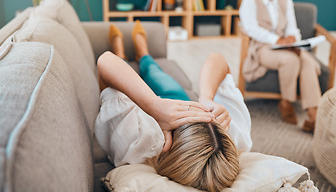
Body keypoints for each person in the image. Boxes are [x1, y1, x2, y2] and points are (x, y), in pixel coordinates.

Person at [95, 21, 252, 191]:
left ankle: (122, 54)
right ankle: (143, 54)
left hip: (138, 104)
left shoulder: (138, 144)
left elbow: (106, 61)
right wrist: (206, 98)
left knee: (124, 68)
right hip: (176, 101)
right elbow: (217, 58)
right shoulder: (234, 137)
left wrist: (152, 105)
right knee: (154, 71)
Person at [239, 0, 321, 132]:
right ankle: (286, 102)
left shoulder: (286, 2)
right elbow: (251, 28)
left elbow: (293, 27)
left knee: (309, 63)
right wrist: (277, 40)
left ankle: (314, 117)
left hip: (286, 46)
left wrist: (293, 38)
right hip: (262, 48)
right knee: (291, 61)